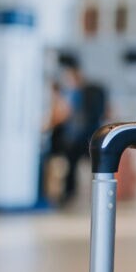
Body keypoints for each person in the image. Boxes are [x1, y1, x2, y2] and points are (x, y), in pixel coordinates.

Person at [51, 60, 108, 206]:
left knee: (76, 159)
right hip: (78, 138)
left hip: (83, 138)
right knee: (72, 161)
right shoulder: (74, 93)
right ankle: (70, 193)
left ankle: (72, 193)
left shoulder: (82, 93)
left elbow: (66, 115)